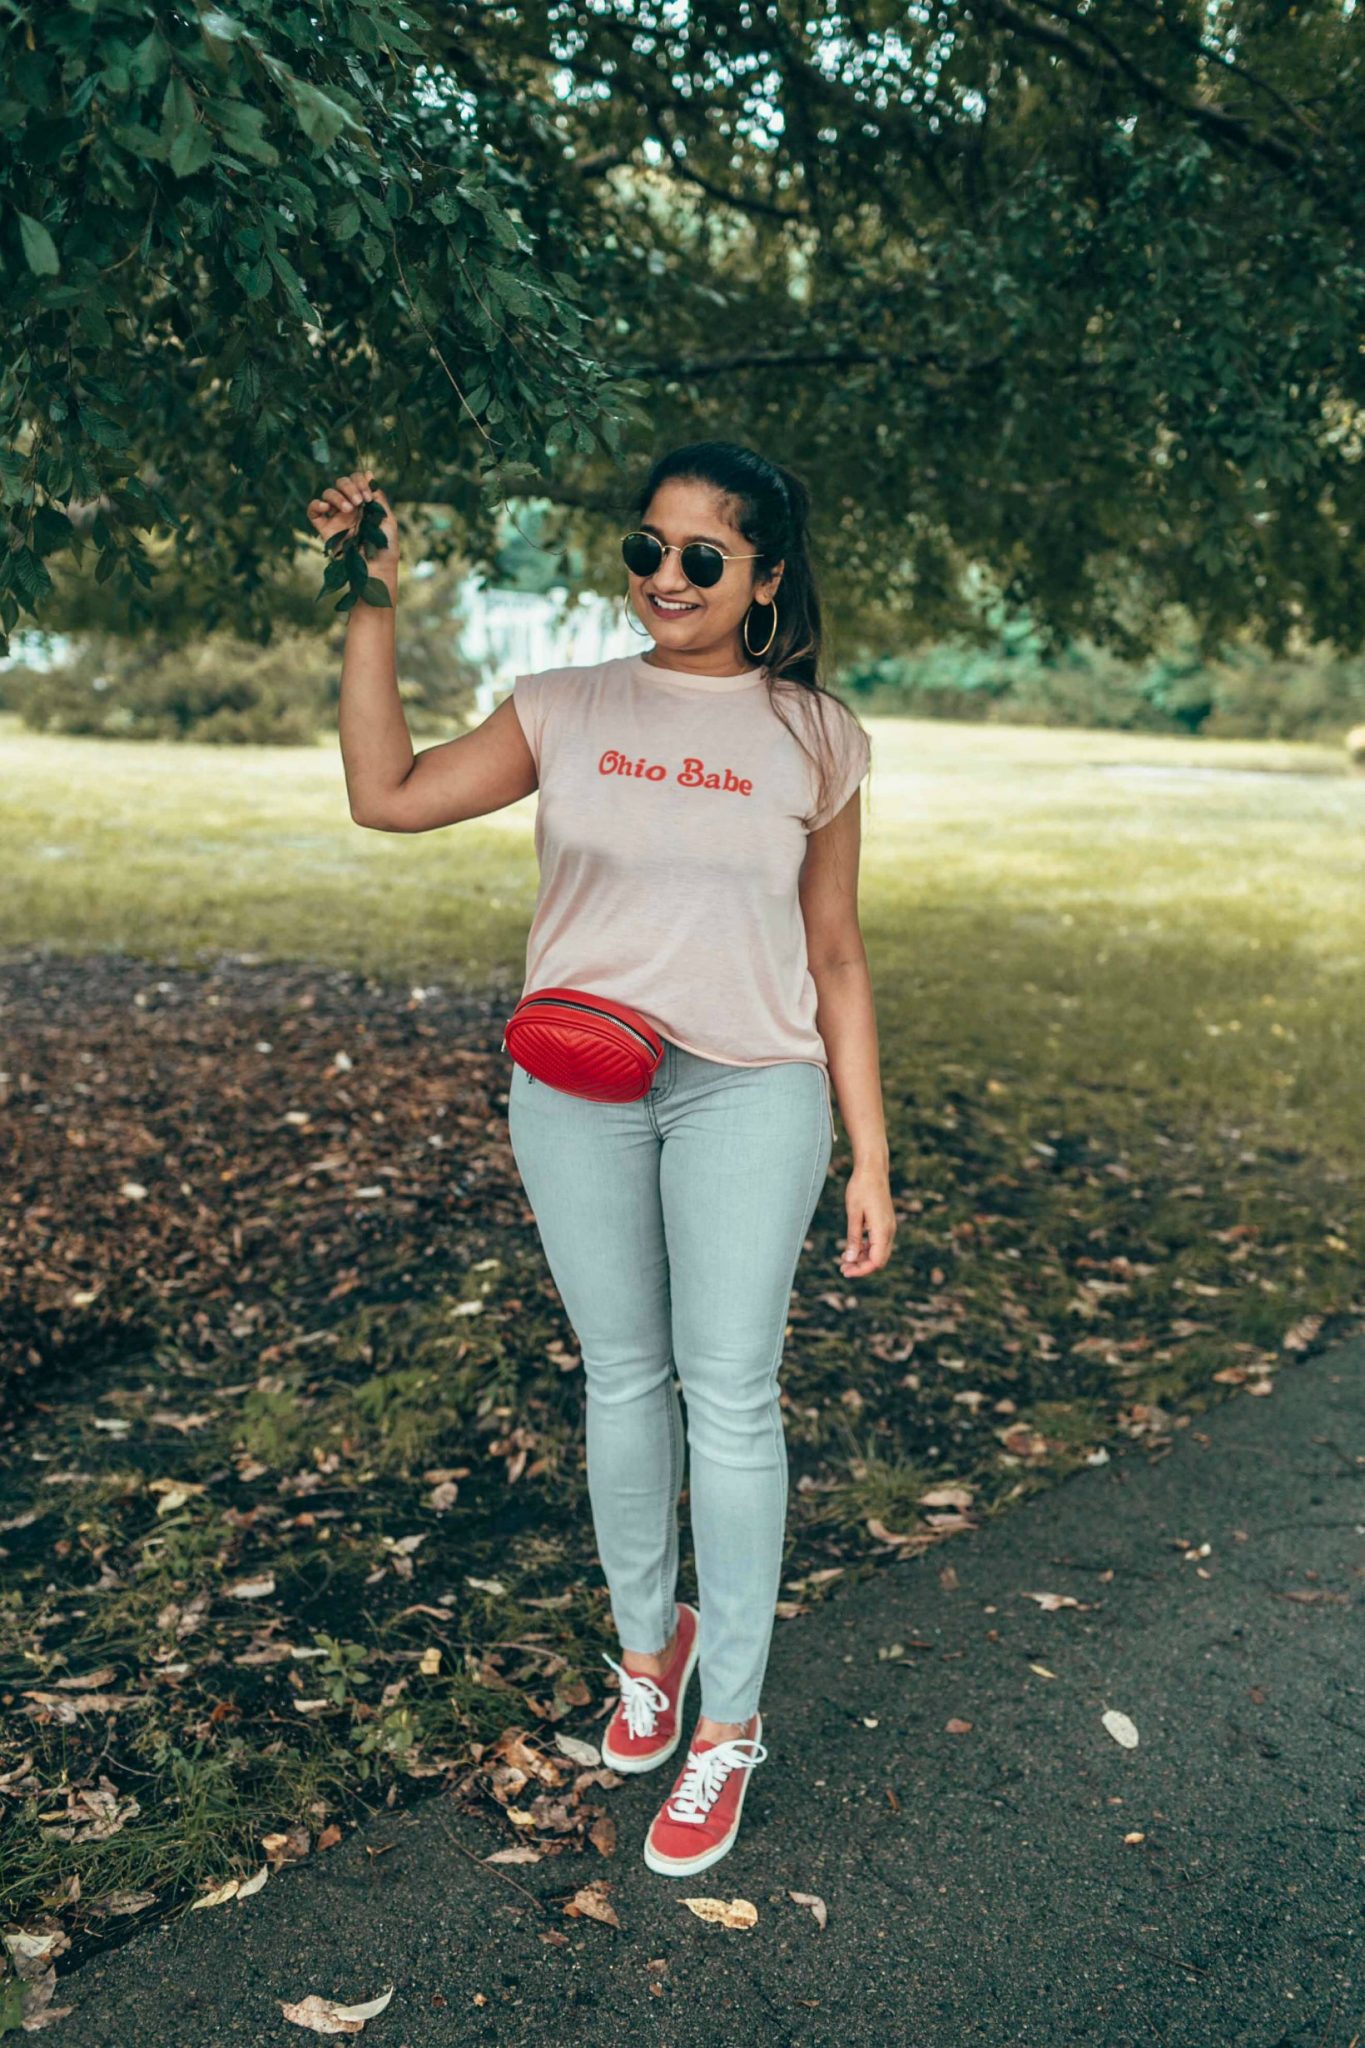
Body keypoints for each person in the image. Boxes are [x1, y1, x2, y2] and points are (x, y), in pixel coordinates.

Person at [311, 439, 896, 1879]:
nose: (665, 578)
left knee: (731, 1398)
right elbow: (385, 794)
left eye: (701, 557)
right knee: (622, 1378)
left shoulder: (816, 735)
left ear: (764, 577)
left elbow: (833, 953)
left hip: (748, 1090)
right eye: (648, 549)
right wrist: (372, 597)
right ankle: (651, 1654)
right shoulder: (563, 705)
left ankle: (728, 1726)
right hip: (576, 1086)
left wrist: (871, 1157)